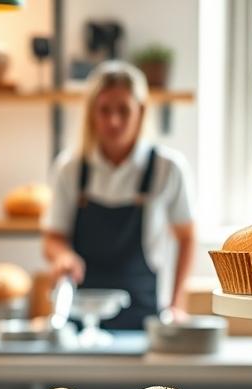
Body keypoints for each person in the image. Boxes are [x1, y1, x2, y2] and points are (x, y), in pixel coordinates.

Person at [43, 60, 195, 330]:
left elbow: (187, 237)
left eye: (124, 110)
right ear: (92, 113)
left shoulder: (167, 168)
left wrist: (176, 303)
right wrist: (62, 256)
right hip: (80, 321)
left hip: (145, 315)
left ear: (141, 111)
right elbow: (53, 238)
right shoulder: (71, 169)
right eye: (104, 110)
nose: (114, 121)